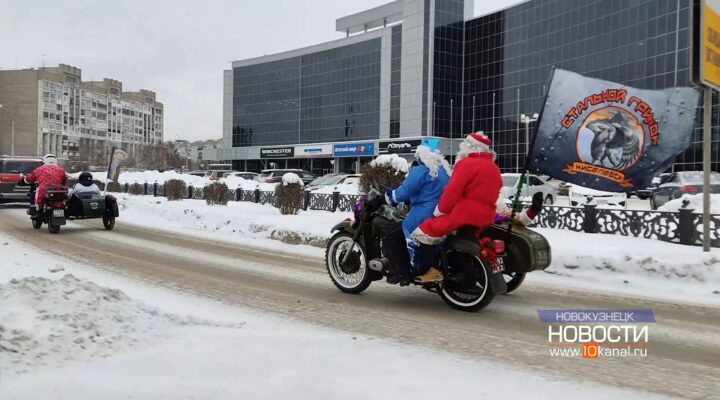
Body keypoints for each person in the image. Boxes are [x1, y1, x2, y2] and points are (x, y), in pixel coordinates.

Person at [411, 132, 503, 283]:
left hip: (465, 213)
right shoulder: (493, 167)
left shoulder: (465, 164)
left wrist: (439, 211)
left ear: (470, 146)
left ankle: (430, 271)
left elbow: (452, 192)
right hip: (486, 214)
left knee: (424, 231)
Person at [364, 139, 451, 284]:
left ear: (421, 155)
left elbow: (401, 194)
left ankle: (400, 273)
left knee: (390, 237)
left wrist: (379, 200)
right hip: (440, 213)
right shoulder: (443, 171)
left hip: (422, 214)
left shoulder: (420, 171)